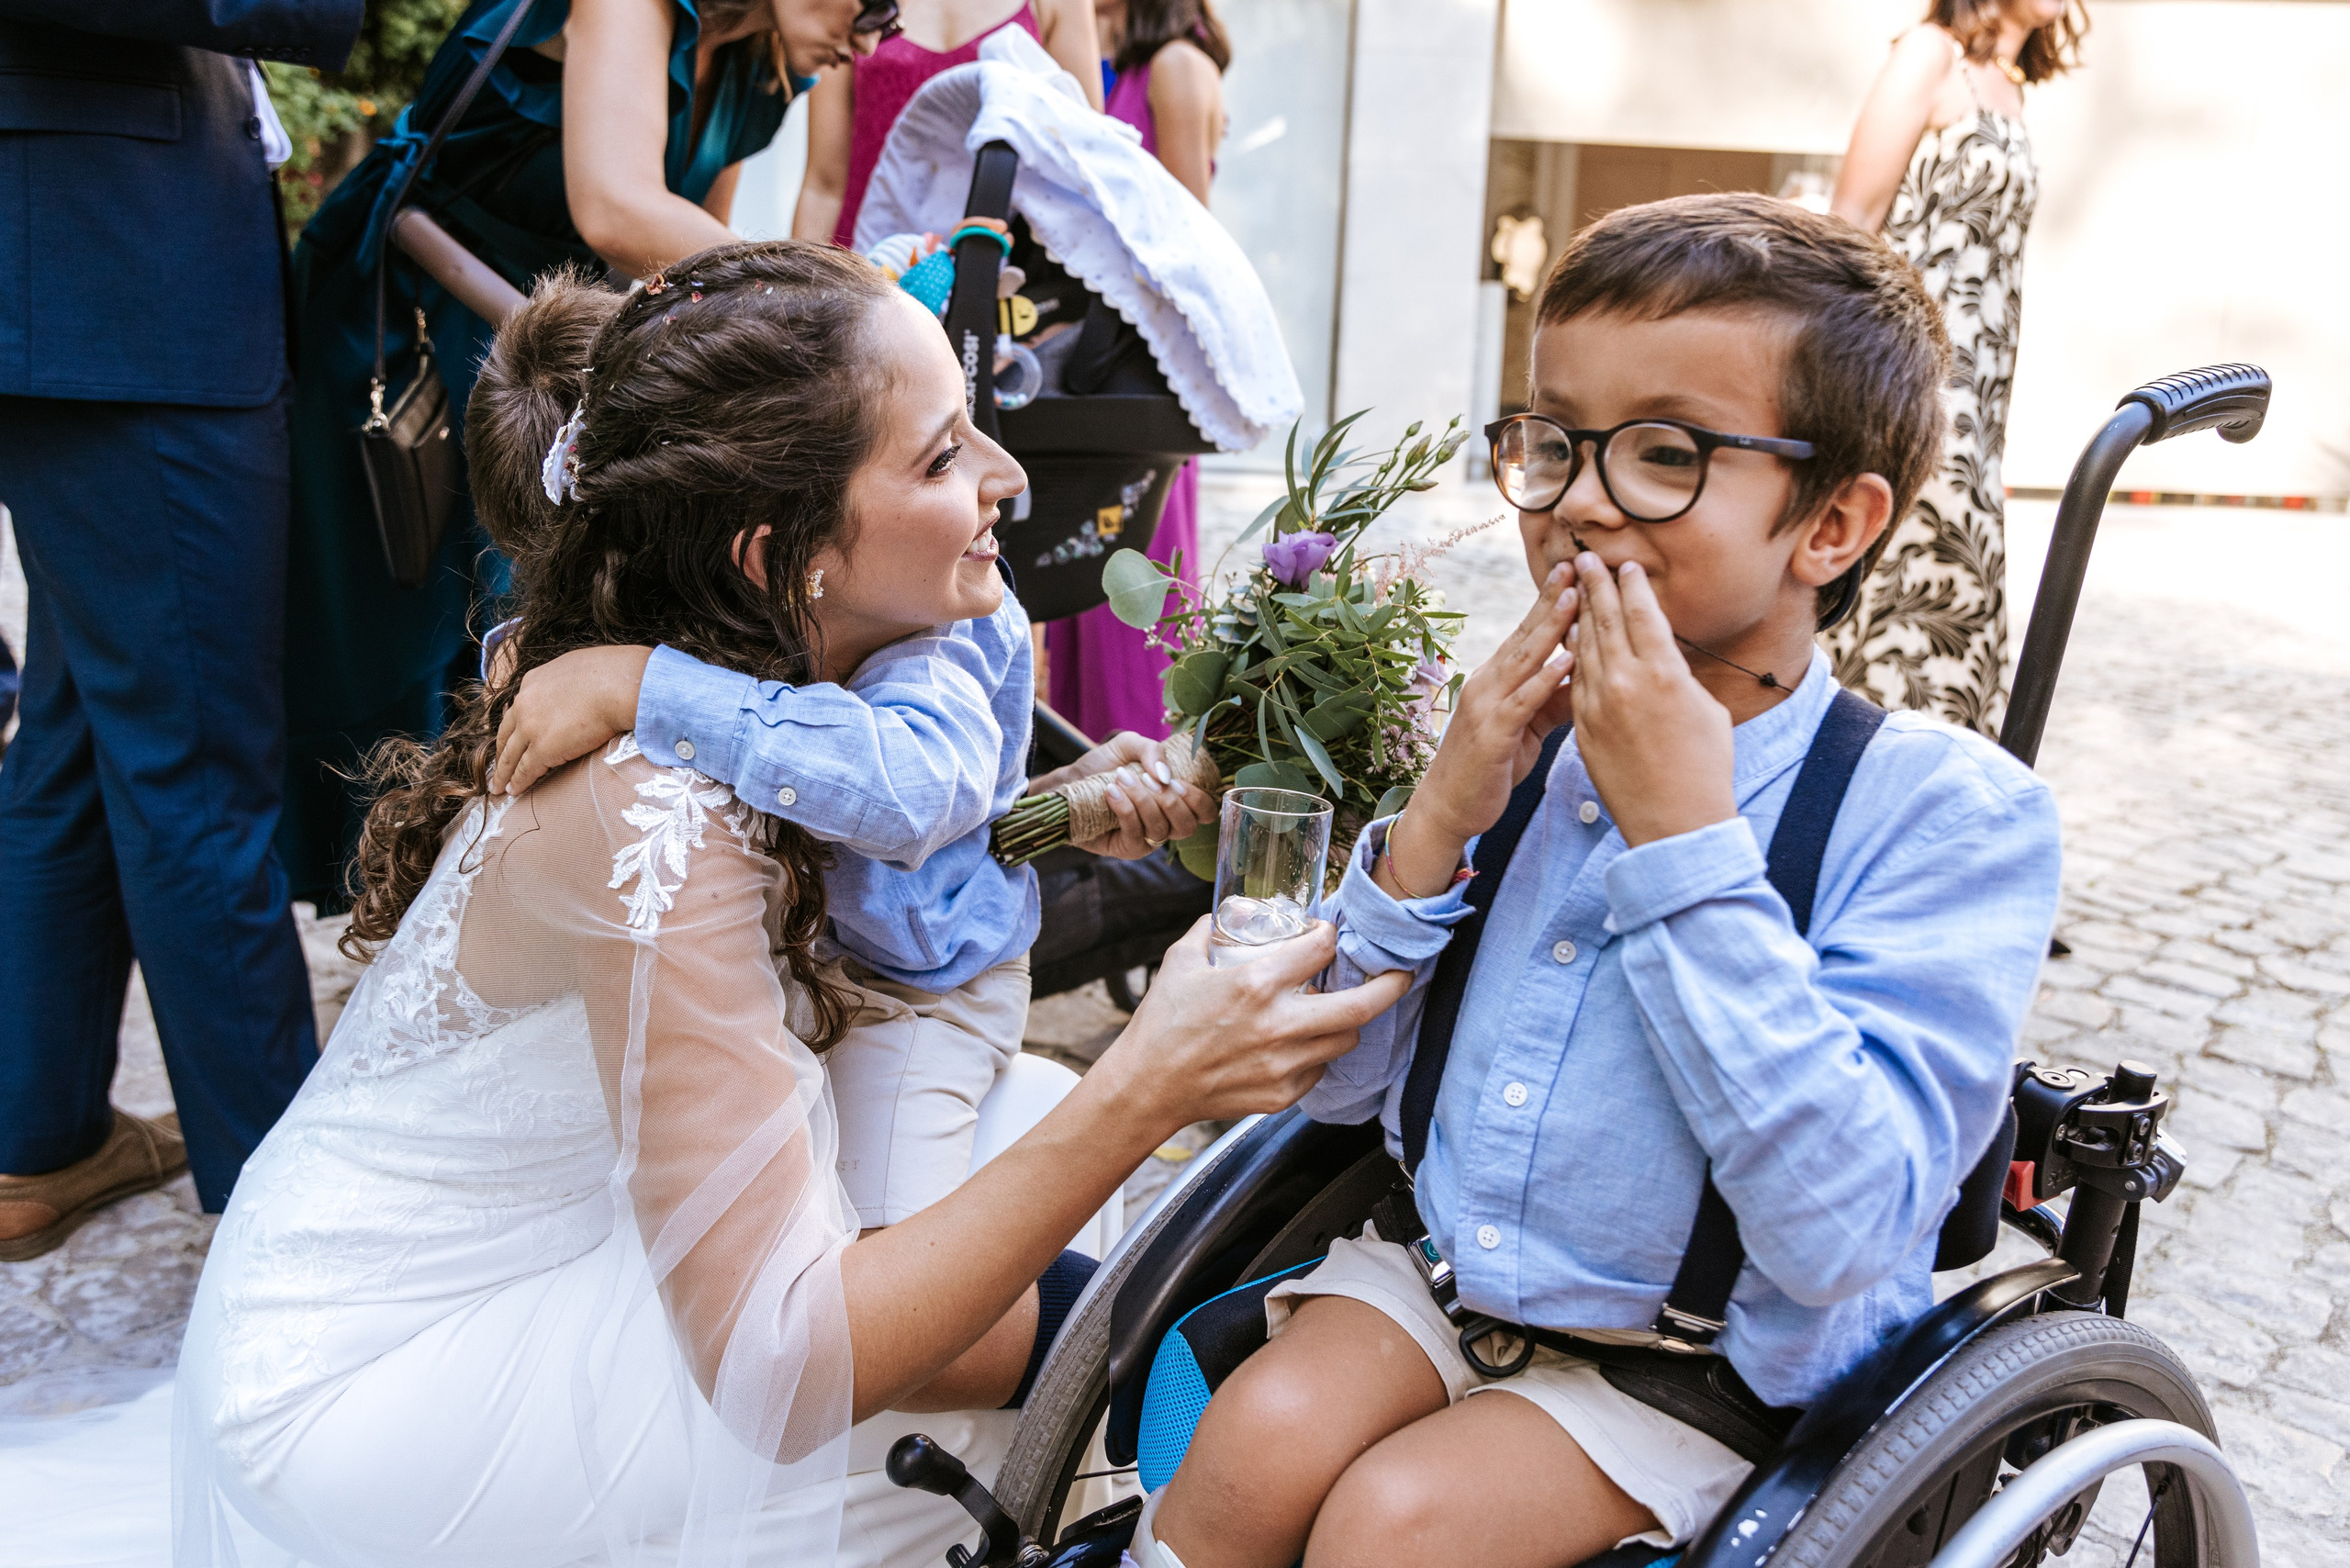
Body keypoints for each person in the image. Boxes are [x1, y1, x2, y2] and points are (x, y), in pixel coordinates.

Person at [175, 239, 1410, 1566]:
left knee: (1022, 1174)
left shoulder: (774, 674)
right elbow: (783, 1365)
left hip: (519, 1233)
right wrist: (1150, 1084)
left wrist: (1058, 812)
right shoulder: (659, 811)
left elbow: (898, 819)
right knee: (978, 1372)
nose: (1006, 480)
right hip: (389, 1386)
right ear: (782, 553)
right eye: (940, 459)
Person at [1135, 195, 2064, 1568]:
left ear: (1832, 525)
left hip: (1701, 1362)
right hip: (1438, 1280)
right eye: (1554, 442)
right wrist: (1439, 816)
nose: (1575, 497)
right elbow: (1334, 1091)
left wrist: (1685, 839)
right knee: (1249, 1445)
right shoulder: (1512, 737)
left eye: (1664, 455)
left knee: (1398, 1529)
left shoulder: (1947, 814)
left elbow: (1840, 1234)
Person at [277, 0, 891, 915]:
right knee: (404, 625)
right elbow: (615, 209)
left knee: (539, 616)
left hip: (551, 353)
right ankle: (405, 902)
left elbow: (682, 266)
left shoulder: (766, 68)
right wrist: (849, 299)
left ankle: (503, 896)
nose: (874, 33)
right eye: (871, 1)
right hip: (416, 334)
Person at [0, 0, 363, 1249]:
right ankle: (286, 1225)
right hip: (116, 284)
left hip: (106, 264)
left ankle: (36, 1141)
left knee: (80, 725)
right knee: (197, 760)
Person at [1825, 0, 2086, 737]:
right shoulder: (1929, 54)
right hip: (1915, 375)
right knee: (1924, 571)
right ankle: (1864, 764)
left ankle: (1922, 784)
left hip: (1981, 389)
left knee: (1950, 582)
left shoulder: (2005, 83)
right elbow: (1849, 223)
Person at [1043, 0, 1228, 742]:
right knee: (1086, 587)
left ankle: (1146, 804)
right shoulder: (1112, 62)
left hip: (1142, 373)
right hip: (1097, 363)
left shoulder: (1179, 66)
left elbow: (1189, 240)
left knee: (1140, 596)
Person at [793, 0, 1104, 250]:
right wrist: (794, 303)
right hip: (867, 258)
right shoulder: (847, 7)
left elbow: (1090, 165)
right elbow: (824, 183)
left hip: (1001, 273)